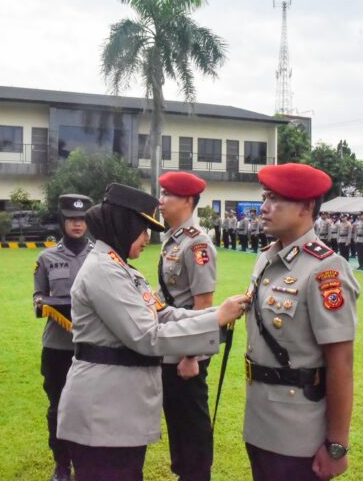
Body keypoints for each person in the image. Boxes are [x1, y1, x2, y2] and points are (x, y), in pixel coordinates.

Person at [56, 183, 247, 481]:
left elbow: (163, 312)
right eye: (143, 227)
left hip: (118, 411)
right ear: (124, 224)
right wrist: (215, 320)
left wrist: (216, 313)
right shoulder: (104, 271)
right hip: (104, 412)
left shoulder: (122, 268)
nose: (147, 237)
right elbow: (148, 336)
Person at [243, 163, 359, 480]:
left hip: (298, 431)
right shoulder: (267, 258)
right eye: (265, 197)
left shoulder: (325, 270)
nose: (264, 208)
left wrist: (337, 445)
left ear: (306, 207)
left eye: (276, 199)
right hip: (260, 418)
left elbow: (341, 362)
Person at [157, 172, 217, 481]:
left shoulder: (197, 244)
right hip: (171, 345)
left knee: (191, 422)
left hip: (187, 354)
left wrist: (191, 356)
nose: (161, 200)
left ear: (188, 201)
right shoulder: (172, 239)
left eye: (168, 194)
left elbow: (204, 305)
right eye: (162, 193)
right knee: (176, 419)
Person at [33, 194, 94, 481]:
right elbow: (38, 295)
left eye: (82, 219)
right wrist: (42, 303)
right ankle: (61, 464)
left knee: (89, 406)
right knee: (58, 407)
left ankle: (86, 462)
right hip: (57, 347)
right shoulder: (46, 258)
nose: (77, 224)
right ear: (62, 221)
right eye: (72, 219)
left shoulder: (100, 256)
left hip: (91, 347)